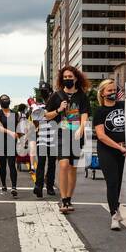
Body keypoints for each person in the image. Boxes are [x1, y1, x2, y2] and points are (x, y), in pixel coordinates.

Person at [45, 66, 91, 214]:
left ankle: (69, 198)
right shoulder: (56, 96)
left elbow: (84, 114)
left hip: (77, 134)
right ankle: (63, 199)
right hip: (61, 134)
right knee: (64, 165)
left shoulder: (82, 96)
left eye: (70, 77)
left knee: (73, 168)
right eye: (65, 77)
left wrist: (82, 128)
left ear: (76, 78)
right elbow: (46, 115)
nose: (67, 79)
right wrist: (58, 109)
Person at [92, 80, 126, 231]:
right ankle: (113, 215)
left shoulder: (123, 106)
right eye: (109, 90)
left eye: (114, 90)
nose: (112, 92)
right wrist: (118, 147)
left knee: (120, 182)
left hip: (124, 149)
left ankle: (116, 206)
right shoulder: (99, 111)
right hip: (108, 149)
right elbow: (101, 135)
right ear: (102, 93)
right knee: (112, 181)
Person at [32, 84, 57, 199]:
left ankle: (50, 186)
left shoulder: (56, 104)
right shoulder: (37, 106)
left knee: (51, 164)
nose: (43, 93)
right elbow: (35, 121)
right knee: (41, 163)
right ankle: (38, 186)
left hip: (54, 138)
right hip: (42, 137)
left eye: (45, 91)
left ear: (50, 91)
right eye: (42, 91)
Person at [0, 95, 20, 198]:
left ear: (9, 101)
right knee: (3, 165)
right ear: (0, 102)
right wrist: (10, 132)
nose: (5, 101)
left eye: (7, 99)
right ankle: (4, 186)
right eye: (3, 100)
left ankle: (14, 187)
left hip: (11, 142)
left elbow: (18, 127)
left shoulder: (14, 113)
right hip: (1, 141)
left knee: (12, 164)